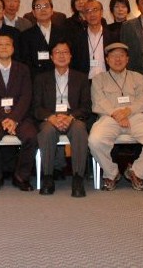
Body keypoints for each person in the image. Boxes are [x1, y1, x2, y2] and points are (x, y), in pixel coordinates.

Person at [88, 43, 143, 191]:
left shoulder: (138, 77)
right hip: (109, 117)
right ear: (107, 59)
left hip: (135, 116)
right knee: (95, 141)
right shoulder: (98, 79)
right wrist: (117, 114)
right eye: (113, 56)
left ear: (127, 59)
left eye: (121, 56)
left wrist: (127, 112)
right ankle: (112, 173)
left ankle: (136, 172)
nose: (118, 59)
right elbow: (99, 102)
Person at [0, 32, 38, 191]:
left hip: (20, 116)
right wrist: (3, 119)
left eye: (7, 44)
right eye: (0, 44)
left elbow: (26, 96)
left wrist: (14, 119)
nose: (4, 47)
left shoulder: (23, 69)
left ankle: (21, 176)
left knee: (31, 136)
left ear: (13, 48)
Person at [32, 41, 91, 197]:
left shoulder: (81, 78)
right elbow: (36, 107)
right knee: (46, 132)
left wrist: (71, 117)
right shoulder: (41, 78)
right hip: (50, 117)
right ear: (51, 57)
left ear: (70, 56)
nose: (61, 55)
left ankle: (77, 178)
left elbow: (86, 106)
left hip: (73, 117)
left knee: (79, 129)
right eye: (57, 52)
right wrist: (50, 117)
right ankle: (48, 177)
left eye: (65, 52)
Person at [20, 0, 71, 78]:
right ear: (33, 13)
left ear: (52, 11)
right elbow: (25, 62)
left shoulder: (64, 32)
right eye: (38, 7)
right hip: (36, 78)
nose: (43, 10)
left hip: (61, 76)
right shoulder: (25, 35)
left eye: (46, 6)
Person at [70, 0, 114, 80]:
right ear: (84, 15)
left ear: (101, 12)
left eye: (95, 10)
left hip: (108, 80)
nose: (92, 14)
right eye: (88, 11)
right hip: (86, 82)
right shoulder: (77, 38)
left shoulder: (112, 36)